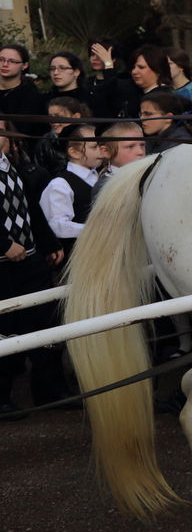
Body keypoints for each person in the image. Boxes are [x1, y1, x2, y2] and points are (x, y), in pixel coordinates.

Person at [0, 126, 69, 418]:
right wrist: (3, 245)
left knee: (45, 323)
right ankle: (1, 399)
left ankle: (50, 390)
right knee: (4, 330)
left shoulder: (12, 165)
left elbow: (29, 209)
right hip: (2, 266)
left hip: (31, 260)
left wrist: (48, 242)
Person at [39, 123, 102, 257]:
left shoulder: (101, 176)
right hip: (79, 256)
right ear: (74, 152)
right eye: (95, 146)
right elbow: (58, 226)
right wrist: (98, 230)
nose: (101, 150)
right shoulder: (60, 185)